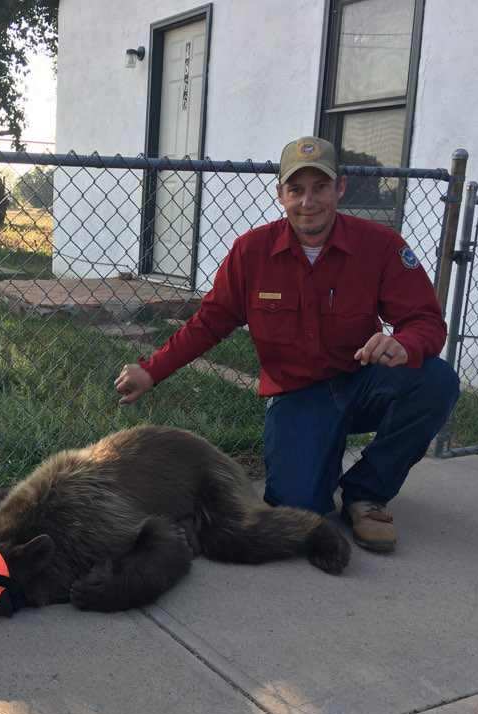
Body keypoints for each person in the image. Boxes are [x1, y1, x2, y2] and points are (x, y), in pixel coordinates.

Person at [115, 136, 459, 554]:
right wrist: (153, 369)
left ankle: (367, 494)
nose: (308, 201)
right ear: (281, 194)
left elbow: (425, 320)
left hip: (362, 382)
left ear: (341, 189)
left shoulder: (382, 248)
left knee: (435, 381)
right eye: (296, 189)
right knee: (299, 510)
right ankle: (318, 455)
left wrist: (405, 344)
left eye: (320, 188)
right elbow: (211, 321)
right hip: (298, 394)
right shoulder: (251, 252)